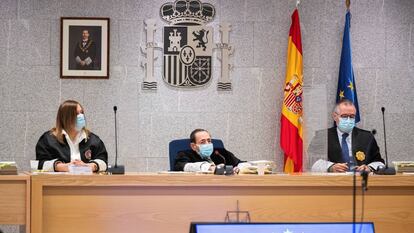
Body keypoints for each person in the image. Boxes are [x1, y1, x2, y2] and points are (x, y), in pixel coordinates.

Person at [310, 99, 385, 173]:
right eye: (344, 116)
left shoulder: (367, 137)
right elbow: (311, 161)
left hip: (360, 180)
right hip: (333, 181)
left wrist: (369, 168)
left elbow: (379, 162)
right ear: (335, 116)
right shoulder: (322, 136)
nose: (348, 120)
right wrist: (330, 167)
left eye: (352, 116)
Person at [35, 100, 108, 172]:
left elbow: (103, 161)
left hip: (87, 182)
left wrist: (91, 166)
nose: (81, 116)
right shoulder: (48, 139)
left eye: (81, 112)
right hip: (59, 182)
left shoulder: (92, 139)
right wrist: (60, 167)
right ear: (65, 117)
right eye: (76, 114)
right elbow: (40, 163)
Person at [174, 129, 242, 172]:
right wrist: (209, 167)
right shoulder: (184, 154)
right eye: (202, 142)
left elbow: (239, 163)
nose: (207, 144)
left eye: (209, 141)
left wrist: (242, 168)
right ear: (193, 146)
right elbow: (181, 166)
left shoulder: (220, 153)